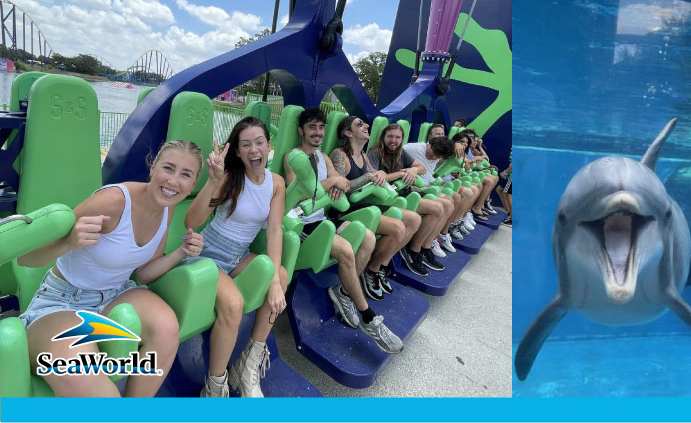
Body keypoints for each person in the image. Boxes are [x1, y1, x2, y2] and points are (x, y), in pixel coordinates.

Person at [18, 140, 205, 397]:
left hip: (116, 292)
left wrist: (181, 251)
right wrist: (68, 242)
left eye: (186, 175)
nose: (174, 181)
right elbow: (26, 257)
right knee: (89, 382)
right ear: (153, 168)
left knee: (166, 329)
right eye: (168, 168)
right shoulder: (112, 201)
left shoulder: (166, 208)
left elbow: (145, 273)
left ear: (194, 184)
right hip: (62, 301)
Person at [281, 108, 403, 353]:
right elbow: (300, 193)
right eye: (312, 127)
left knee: (367, 237)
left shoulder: (324, 158)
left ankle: (344, 292)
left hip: (322, 217)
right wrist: (331, 183)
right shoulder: (292, 156)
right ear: (301, 131)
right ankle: (369, 318)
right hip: (302, 223)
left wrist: (336, 183)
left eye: (320, 128)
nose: (317, 133)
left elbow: (344, 182)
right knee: (346, 250)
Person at [183, 117, 287, 398]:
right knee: (233, 303)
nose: (254, 150)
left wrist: (275, 280)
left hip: (238, 256)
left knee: (282, 275)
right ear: (238, 152)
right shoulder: (229, 178)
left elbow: (275, 229)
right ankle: (215, 386)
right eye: (246, 144)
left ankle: (248, 364)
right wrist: (212, 182)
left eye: (259, 142)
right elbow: (191, 221)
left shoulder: (276, 183)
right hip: (207, 256)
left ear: (269, 145)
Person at [328, 116, 423, 287]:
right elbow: (340, 188)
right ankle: (368, 272)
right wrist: (367, 177)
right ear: (348, 133)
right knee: (398, 227)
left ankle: (377, 268)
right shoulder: (339, 155)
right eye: (359, 124)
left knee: (414, 219)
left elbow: (375, 174)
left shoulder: (363, 155)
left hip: (364, 205)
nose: (365, 125)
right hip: (345, 211)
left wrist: (379, 173)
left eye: (364, 123)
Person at [368, 123, 451, 274]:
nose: (393, 140)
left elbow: (422, 168)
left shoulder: (401, 152)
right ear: (383, 137)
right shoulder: (375, 152)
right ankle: (407, 254)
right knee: (435, 208)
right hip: (387, 196)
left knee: (443, 206)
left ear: (401, 139)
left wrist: (413, 169)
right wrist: (401, 174)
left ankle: (421, 249)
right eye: (390, 136)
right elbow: (377, 178)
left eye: (397, 137)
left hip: (402, 191)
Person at [406, 129, 460, 251]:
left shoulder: (438, 153)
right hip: (415, 187)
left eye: (437, 156)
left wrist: (456, 144)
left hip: (428, 185)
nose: (433, 157)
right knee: (444, 204)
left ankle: (431, 242)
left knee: (454, 199)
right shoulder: (411, 149)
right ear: (429, 144)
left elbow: (429, 172)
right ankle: (416, 248)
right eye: (433, 153)